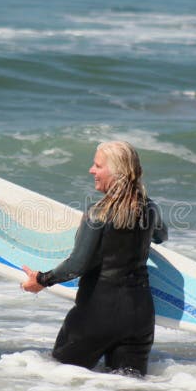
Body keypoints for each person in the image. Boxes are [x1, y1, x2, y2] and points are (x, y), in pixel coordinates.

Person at [21, 141, 167, 376]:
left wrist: (41, 279)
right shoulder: (150, 208)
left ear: (117, 172)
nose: (91, 170)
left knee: (58, 379)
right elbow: (161, 236)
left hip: (96, 315)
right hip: (139, 317)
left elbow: (77, 265)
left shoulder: (97, 213)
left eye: (98, 165)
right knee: (129, 390)